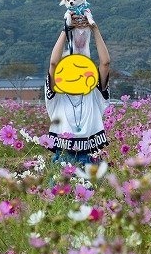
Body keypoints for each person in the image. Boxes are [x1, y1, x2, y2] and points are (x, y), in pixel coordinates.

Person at [45, 12, 111, 165]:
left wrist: (94, 29)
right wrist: (65, 29)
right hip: (63, 157)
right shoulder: (57, 95)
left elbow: (105, 63)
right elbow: (53, 64)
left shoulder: (94, 92)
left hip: (90, 157)